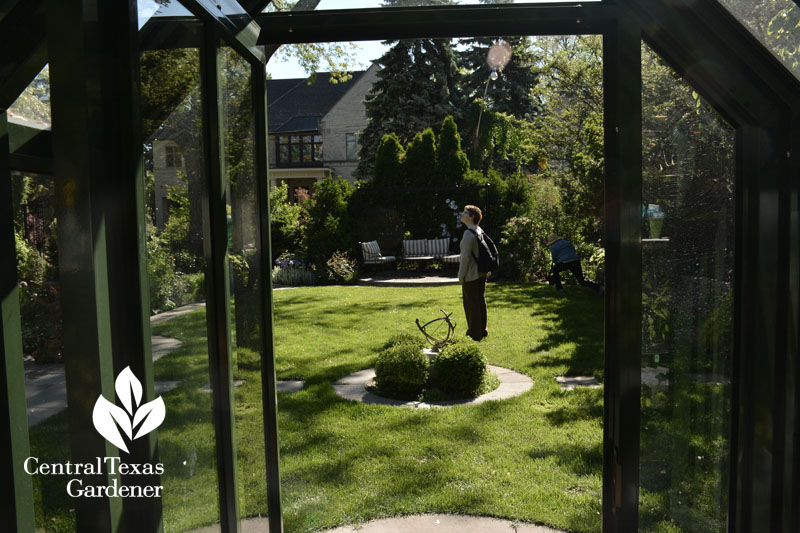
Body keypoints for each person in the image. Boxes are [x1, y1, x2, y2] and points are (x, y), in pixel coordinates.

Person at [457, 205, 489, 340]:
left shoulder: (468, 234)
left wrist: (461, 276)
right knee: (480, 301)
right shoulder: (479, 230)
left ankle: (474, 333)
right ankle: (482, 330)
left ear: (472, 217)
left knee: (471, 304)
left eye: (465, 213)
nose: (462, 214)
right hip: (482, 272)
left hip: (471, 275)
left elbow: (465, 258)